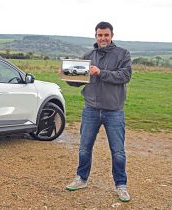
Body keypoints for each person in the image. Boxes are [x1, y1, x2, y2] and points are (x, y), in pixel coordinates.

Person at [65, 21, 132, 202]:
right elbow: (79, 80)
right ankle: (81, 179)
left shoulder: (122, 54)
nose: (103, 38)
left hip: (114, 111)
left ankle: (121, 186)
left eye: (106, 35)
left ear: (111, 36)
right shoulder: (88, 56)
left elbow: (125, 76)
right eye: (100, 35)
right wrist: (68, 76)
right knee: (84, 148)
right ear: (95, 36)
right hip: (91, 110)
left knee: (118, 151)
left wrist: (101, 72)